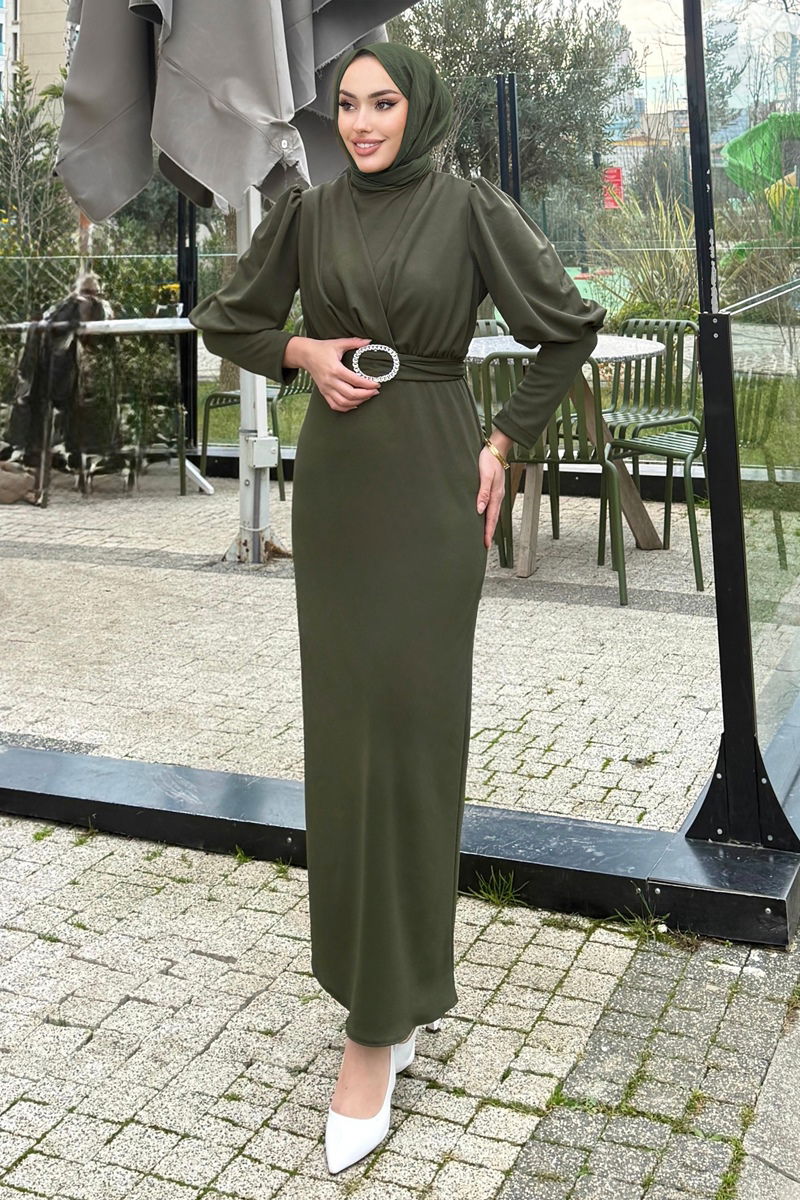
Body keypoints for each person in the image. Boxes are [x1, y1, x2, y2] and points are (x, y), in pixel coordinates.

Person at [188, 41, 606, 1174]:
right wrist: (300, 349)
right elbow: (226, 319)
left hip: (429, 487)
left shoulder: (468, 207)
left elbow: (565, 325)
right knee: (347, 742)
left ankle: (380, 1022)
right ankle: (382, 1000)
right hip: (338, 496)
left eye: (382, 103)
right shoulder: (311, 212)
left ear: (419, 107)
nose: (362, 121)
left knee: (413, 740)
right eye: (346, 104)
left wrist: (504, 439)